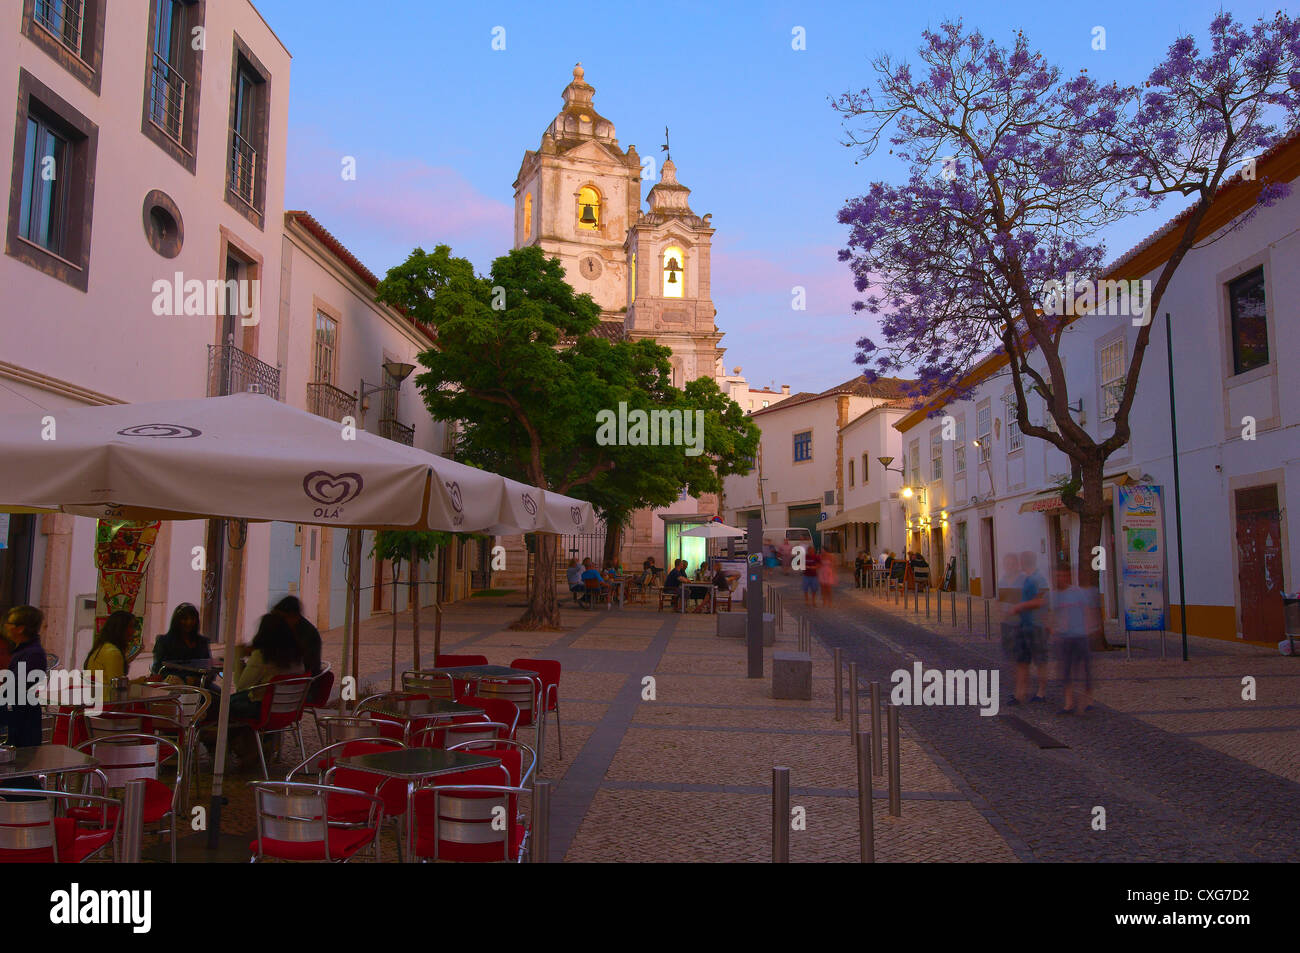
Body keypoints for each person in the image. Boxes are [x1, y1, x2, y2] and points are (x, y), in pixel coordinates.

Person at [1050, 567, 1098, 715]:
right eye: (1058, 575)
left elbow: (1088, 610)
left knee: (1085, 670)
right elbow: (1051, 614)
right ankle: (1069, 703)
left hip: (1080, 636)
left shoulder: (1078, 593)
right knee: (1066, 671)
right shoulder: (1054, 596)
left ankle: (1088, 701)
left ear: (1069, 577)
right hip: (1064, 637)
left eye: (1064, 575)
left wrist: (1090, 628)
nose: (1061, 579)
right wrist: (1054, 630)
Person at [1, 605, 47, 748]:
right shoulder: (21, 651)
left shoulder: (32, 654)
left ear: (20, 628)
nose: (6, 626)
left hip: (22, 720)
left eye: (9, 623)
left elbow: (14, 688)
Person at [1008, 551, 1048, 705]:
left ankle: (1041, 693)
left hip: (1036, 625)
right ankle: (1020, 693)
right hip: (1024, 625)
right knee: (1022, 661)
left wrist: (1020, 606)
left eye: (1021, 560)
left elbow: (1042, 601)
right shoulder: (1026, 579)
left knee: (1039, 662)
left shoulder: (1039, 579)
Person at [151, 602, 211, 675]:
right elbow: (158, 669)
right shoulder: (164, 641)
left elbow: (209, 668)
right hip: (173, 684)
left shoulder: (202, 642)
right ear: (176, 621)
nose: (189, 622)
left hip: (198, 684)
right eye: (185, 619)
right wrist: (183, 679)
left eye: (192, 619)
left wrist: (198, 680)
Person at [273, 595, 322, 677]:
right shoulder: (299, 628)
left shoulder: (305, 633)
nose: (279, 621)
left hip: (305, 680)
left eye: (282, 617)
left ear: (292, 615)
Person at [84, 610, 133, 686]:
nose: (134, 631)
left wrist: (142, 680)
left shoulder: (103, 647)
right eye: (130, 627)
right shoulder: (112, 653)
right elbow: (118, 687)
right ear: (120, 629)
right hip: (106, 696)